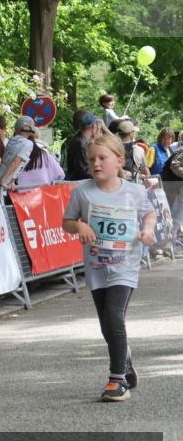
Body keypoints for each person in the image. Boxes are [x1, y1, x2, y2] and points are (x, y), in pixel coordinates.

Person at [61, 134, 156, 401]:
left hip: (125, 265)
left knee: (114, 316)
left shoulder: (134, 191)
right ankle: (125, 361)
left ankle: (117, 380)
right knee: (106, 323)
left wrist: (147, 230)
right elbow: (67, 222)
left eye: (102, 158)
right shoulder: (82, 191)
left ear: (119, 161)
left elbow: (149, 213)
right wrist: (79, 226)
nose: (96, 163)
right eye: (92, 159)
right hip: (96, 266)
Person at [0, 116, 37, 189]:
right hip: (4, 180)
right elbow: (16, 162)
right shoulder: (28, 144)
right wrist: (4, 180)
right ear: (32, 131)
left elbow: (8, 159)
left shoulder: (12, 140)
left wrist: (12, 180)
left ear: (16, 130)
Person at [64, 109, 98, 181]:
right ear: (93, 126)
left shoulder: (82, 140)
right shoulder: (79, 143)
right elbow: (83, 171)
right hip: (81, 184)